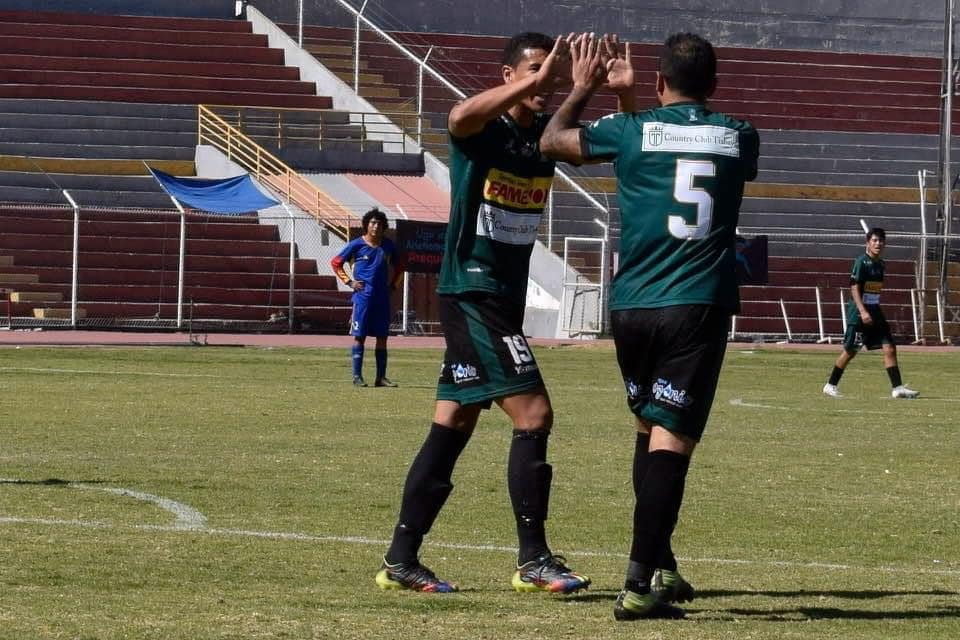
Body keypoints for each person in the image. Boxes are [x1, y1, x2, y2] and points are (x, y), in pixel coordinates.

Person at [540, 32, 760, 619]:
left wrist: (587, 88)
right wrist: (639, 104)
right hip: (696, 305)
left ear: (658, 82)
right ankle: (640, 584)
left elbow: (553, 140)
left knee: (647, 427)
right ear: (714, 86)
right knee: (671, 439)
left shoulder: (631, 130)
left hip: (633, 306)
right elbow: (680, 145)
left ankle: (659, 562)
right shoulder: (739, 135)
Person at [375, 31, 593, 595]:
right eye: (534, 71)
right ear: (508, 75)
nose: (546, 82)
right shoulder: (483, 132)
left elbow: (579, 135)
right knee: (535, 414)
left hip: (499, 301)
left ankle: (400, 560)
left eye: (552, 72)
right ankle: (534, 560)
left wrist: (596, 88)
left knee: (453, 422)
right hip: (472, 294)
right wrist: (534, 83)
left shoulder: (541, 140)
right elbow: (456, 116)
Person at [822, 228, 919, 399]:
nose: (878, 243)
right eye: (874, 240)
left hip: (876, 311)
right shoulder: (861, 262)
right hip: (860, 313)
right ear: (867, 242)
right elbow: (854, 287)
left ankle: (897, 388)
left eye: (881, 241)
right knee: (851, 350)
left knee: (889, 346)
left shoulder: (881, 264)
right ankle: (830, 385)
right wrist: (862, 311)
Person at [330, 208, 401, 387]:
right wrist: (349, 282)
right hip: (362, 298)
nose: (376, 226)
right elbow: (336, 263)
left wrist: (393, 285)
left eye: (379, 223)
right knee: (359, 336)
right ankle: (357, 376)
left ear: (384, 226)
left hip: (381, 299)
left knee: (382, 337)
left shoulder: (388, 246)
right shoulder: (356, 245)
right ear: (366, 225)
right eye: (372, 223)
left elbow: (400, 267)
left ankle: (381, 378)